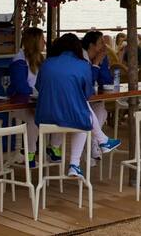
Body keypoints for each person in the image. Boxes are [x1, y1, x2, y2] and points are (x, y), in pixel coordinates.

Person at [34, 34, 95, 177]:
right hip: (70, 118)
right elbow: (87, 94)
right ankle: (74, 163)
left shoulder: (47, 63)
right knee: (86, 122)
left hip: (44, 118)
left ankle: (57, 150)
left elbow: (38, 86)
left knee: (74, 116)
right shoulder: (83, 65)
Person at [80, 31, 121, 158]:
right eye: (101, 43)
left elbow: (107, 81)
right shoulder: (81, 58)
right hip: (78, 99)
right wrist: (96, 64)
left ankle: (93, 143)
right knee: (92, 114)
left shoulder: (100, 57)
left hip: (92, 98)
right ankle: (97, 143)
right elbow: (88, 82)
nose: (104, 46)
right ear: (92, 46)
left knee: (101, 111)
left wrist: (101, 63)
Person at [9, 27, 44, 166]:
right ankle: (30, 154)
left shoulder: (41, 59)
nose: (44, 43)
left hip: (37, 102)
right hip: (20, 103)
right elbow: (20, 86)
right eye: (42, 39)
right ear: (35, 42)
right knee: (33, 119)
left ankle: (53, 148)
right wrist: (36, 92)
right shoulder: (19, 61)